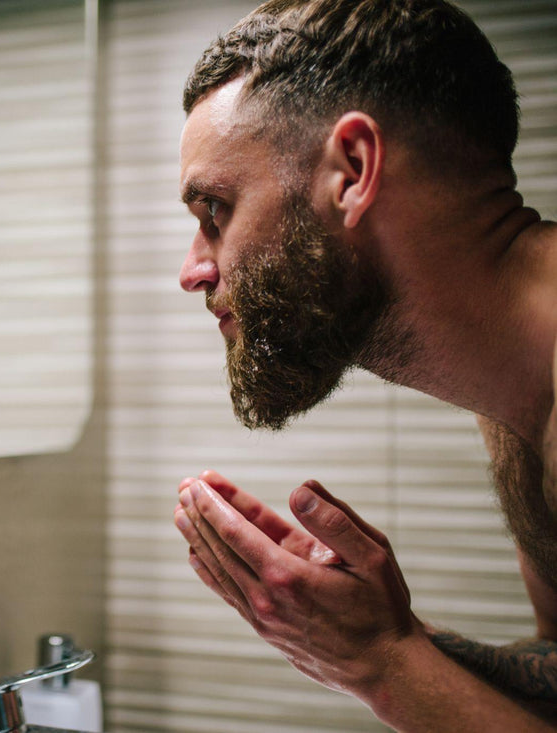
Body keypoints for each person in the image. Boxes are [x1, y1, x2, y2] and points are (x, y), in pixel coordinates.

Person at [170, 0, 557, 730]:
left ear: (353, 169)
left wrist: (381, 663)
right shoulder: (510, 389)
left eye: (214, 210)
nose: (193, 270)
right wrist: (376, 631)